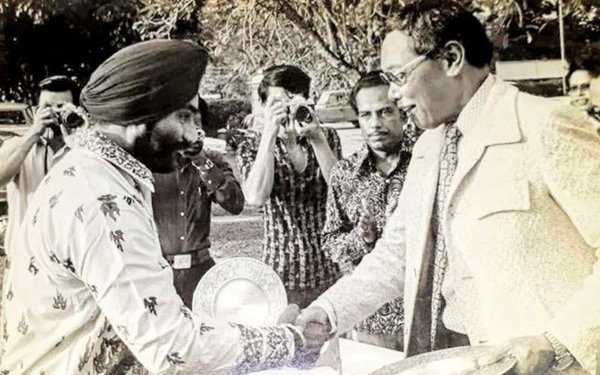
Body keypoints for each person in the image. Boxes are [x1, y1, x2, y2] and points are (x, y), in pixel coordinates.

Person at [295, 1, 600, 374]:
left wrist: (557, 342)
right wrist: (328, 312)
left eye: (397, 76)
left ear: (452, 58)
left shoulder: (543, 124)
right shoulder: (428, 148)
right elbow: (396, 256)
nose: (391, 95)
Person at [0, 40, 327, 374]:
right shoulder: (101, 198)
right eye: (183, 116)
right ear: (138, 113)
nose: (190, 135)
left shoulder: (95, 170)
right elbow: (175, 351)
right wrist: (291, 341)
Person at [236, 65, 342, 308]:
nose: (284, 109)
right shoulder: (252, 146)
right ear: (263, 106)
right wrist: (269, 134)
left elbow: (341, 190)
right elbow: (254, 197)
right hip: (279, 270)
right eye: (276, 103)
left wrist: (317, 139)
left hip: (327, 268)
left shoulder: (327, 137)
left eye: (291, 100)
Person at [152, 97, 244, 308]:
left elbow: (235, 204)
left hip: (201, 268)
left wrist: (202, 163)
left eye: (196, 123)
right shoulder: (151, 165)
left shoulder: (213, 160)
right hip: (159, 272)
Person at [0, 75, 83, 256]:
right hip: (25, 256)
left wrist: (81, 134)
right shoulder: (18, 146)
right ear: (35, 110)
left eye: (61, 107)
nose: (53, 113)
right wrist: (33, 133)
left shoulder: (84, 149)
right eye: (46, 106)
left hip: (68, 258)